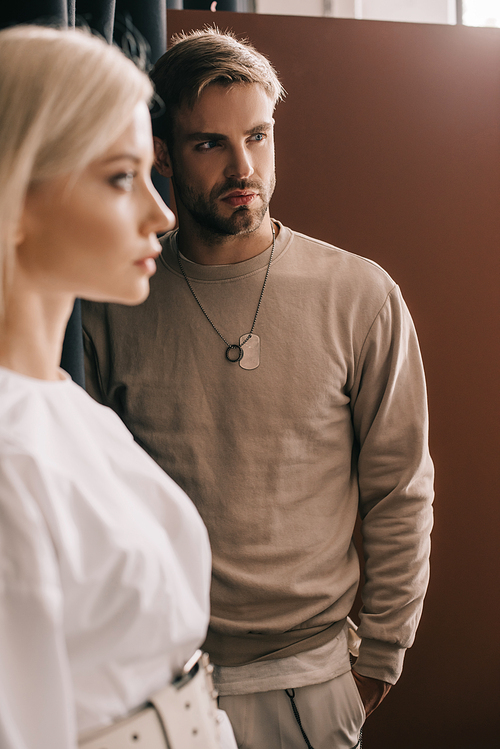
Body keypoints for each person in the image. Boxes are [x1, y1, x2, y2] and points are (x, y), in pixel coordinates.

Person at [82, 28, 434, 749]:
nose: (244, 165)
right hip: (155, 681)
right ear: (164, 155)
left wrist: (381, 659)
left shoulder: (359, 293)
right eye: (210, 143)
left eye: (259, 135)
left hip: (315, 680)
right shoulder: (112, 305)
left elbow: (402, 485)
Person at [0, 25, 237, 749]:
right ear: (15, 189)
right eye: (119, 177)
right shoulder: (9, 452)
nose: (161, 215)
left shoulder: (71, 408)